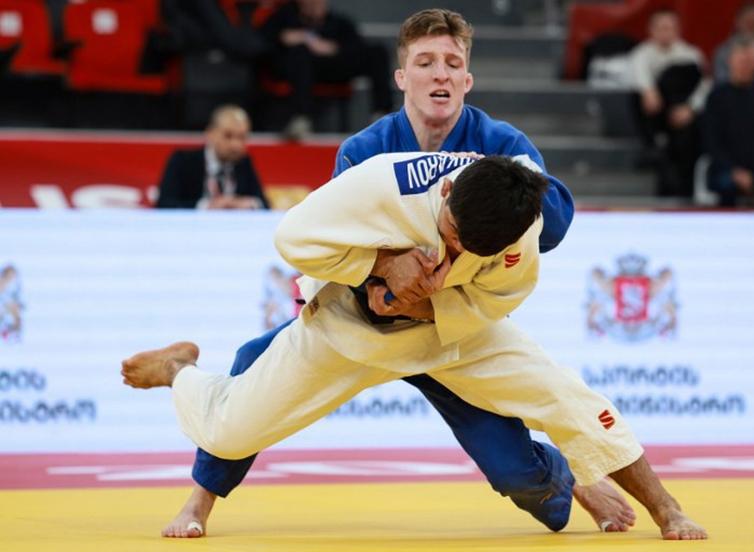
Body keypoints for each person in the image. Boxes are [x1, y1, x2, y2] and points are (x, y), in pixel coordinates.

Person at [160, 9, 636, 540]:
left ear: (467, 80)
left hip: (448, 328)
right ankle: (200, 499)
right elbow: (330, 246)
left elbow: (555, 225)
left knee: (530, 488)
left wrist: (496, 201)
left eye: (453, 64)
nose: (440, 74)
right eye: (425, 62)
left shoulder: (502, 146)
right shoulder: (364, 151)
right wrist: (386, 269)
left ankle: (564, 476)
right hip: (368, 319)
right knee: (252, 365)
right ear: (401, 77)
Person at [122, 152, 707, 541]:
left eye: (466, 253)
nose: (453, 257)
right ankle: (182, 370)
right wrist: (379, 267)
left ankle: (667, 508)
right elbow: (292, 238)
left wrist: (428, 301)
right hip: (347, 328)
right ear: (446, 191)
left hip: (456, 333)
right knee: (227, 431)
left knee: (569, 397)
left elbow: (498, 301)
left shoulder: (518, 227)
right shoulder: (382, 184)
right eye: (449, 238)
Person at [258, 0, 393, 139]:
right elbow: (264, 42)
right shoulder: (285, 18)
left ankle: (381, 115)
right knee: (300, 55)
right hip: (298, 71)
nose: (314, 4)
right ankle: (301, 119)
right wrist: (294, 37)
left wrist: (332, 47)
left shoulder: (337, 22)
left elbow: (354, 45)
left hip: (333, 65)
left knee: (378, 52)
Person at [629, 9, 709, 197]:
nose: (665, 32)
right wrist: (649, 91)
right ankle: (651, 145)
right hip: (655, 113)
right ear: (652, 30)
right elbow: (638, 77)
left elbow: (704, 86)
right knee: (636, 96)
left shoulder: (691, 55)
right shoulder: (641, 54)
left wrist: (690, 108)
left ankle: (683, 186)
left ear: (677, 30)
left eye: (669, 28)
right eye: (660, 28)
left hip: (683, 113)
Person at [704, 37, 754, 207]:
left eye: (750, 60)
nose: (746, 65)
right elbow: (710, 141)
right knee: (726, 184)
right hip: (725, 169)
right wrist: (734, 171)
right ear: (731, 61)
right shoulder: (716, 97)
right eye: (742, 60)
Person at [155, 105, 269, 209]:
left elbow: (264, 204)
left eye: (242, 137)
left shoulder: (244, 163)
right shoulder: (183, 161)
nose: (236, 145)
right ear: (210, 133)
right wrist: (206, 206)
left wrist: (247, 203)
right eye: (228, 136)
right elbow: (164, 204)